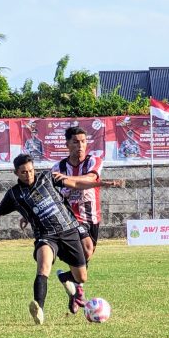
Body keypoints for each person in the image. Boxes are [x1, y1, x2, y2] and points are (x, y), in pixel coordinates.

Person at [0, 154, 119, 325]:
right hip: (46, 235)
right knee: (43, 266)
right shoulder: (14, 195)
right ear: (16, 173)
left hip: (69, 230)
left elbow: (76, 183)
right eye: (24, 172)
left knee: (82, 277)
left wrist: (102, 183)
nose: (28, 174)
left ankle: (67, 279)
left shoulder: (48, 177)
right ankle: (39, 309)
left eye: (31, 170)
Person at [52, 126, 121, 314]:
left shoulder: (94, 161)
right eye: (76, 141)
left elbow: (90, 179)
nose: (80, 145)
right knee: (86, 249)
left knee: (85, 257)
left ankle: (72, 284)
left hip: (92, 217)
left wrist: (67, 179)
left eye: (83, 141)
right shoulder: (58, 167)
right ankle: (78, 288)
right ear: (67, 144)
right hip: (69, 217)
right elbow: (55, 192)